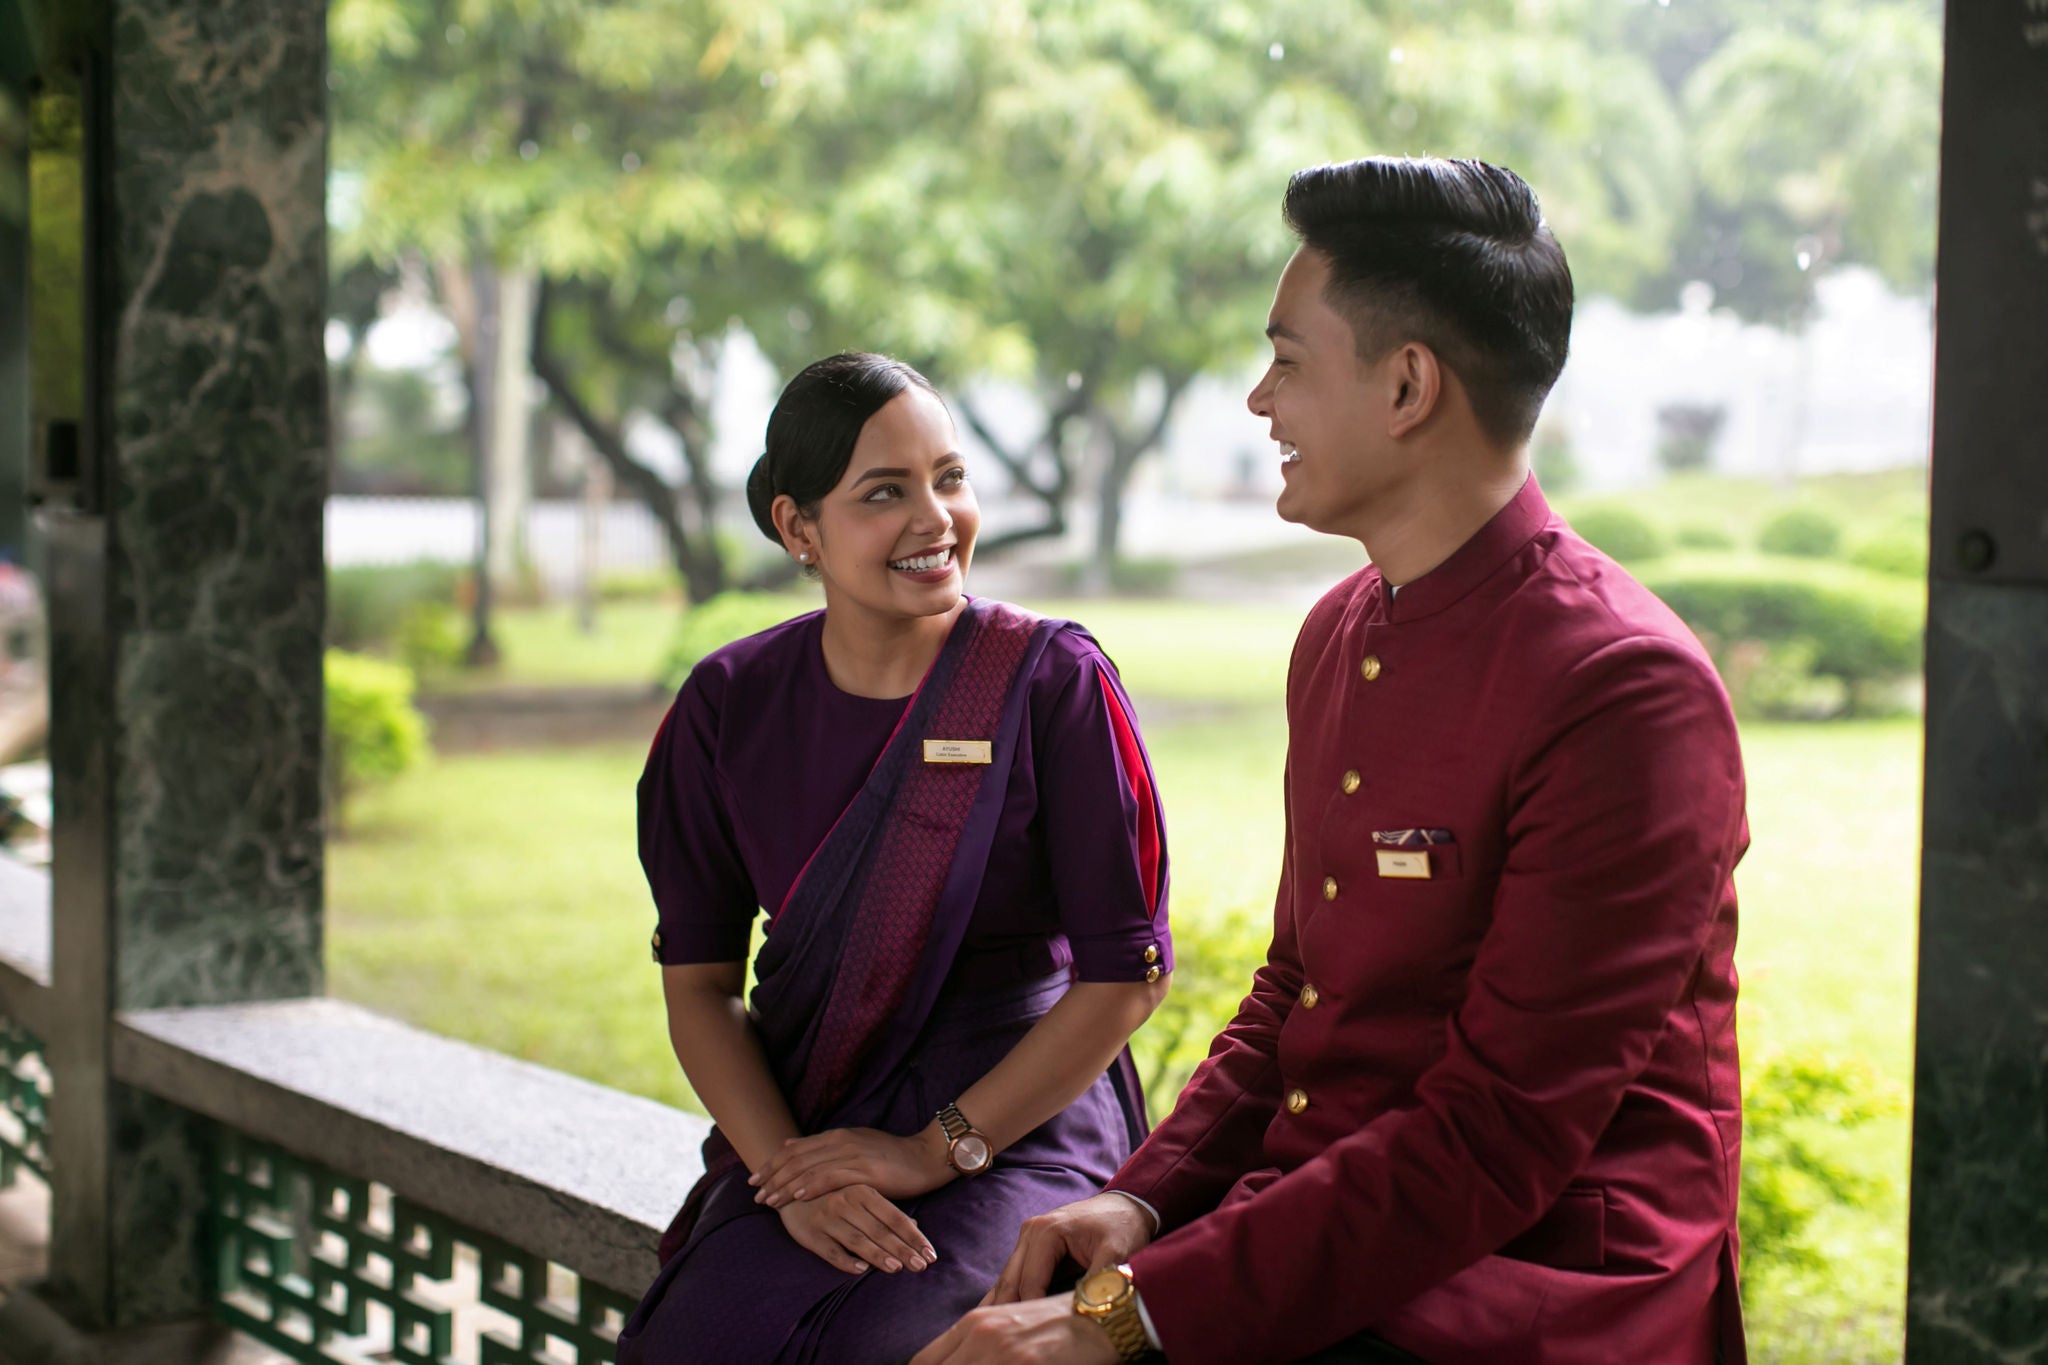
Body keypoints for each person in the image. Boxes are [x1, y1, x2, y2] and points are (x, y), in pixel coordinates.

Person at [915, 158, 1747, 1365]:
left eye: (1289, 361)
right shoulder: (1342, 631)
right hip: (1326, 1240)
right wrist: (1144, 1199)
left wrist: (1119, 1316)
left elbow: (1492, 1140)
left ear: (1407, 385)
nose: (1260, 400)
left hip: (1526, 1293)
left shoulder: (1623, 689)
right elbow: (1294, 993)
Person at [614, 352, 1174, 1365]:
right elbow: (698, 985)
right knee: (696, 1338)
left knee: (906, 1339)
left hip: (1021, 1116)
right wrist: (788, 1170)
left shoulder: (1049, 684)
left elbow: (1124, 980)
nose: (936, 519)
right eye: (885, 492)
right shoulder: (727, 705)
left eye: (948, 478)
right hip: (813, 1111)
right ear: (797, 528)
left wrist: (932, 1148)